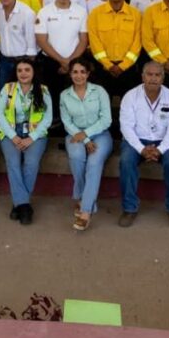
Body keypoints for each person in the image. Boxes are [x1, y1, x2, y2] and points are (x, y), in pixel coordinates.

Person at [118, 61, 169, 228]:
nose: (153, 78)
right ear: (142, 76)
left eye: (157, 75)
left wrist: (159, 150)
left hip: (164, 142)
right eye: (149, 74)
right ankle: (129, 208)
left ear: (163, 78)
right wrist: (141, 149)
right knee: (126, 161)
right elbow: (126, 127)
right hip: (136, 140)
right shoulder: (130, 96)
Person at [0, 57, 52, 225]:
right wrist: (13, 136)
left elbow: (48, 118)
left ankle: (18, 204)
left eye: (27, 70)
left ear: (33, 72)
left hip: (35, 134)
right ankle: (25, 206)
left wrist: (31, 138)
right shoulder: (8, 88)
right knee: (13, 163)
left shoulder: (43, 90)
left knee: (31, 163)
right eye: (19, 70)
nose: (23, 73)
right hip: (10, 133)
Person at [59, 58, 112, 231]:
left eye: (83, 72)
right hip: (74, 134)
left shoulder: (99, 91)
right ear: (70, 74)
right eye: (75, 72)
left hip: (100, 133)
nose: (79, 75)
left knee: (94, 162)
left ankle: (86, 210)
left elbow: (106, 120)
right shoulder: (65, 95)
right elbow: (66, 122)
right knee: (76, 156)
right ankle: (84, 198)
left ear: (88, 74)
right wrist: (85, 139)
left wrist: (87, 134)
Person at [34, 0, 88, 111]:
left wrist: (70, 62)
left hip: (75, 62)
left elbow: (84, 40)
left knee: (74, 95)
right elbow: (41, 40)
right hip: (50, 62)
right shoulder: (44, 12)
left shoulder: (81, 12)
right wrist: (62, 61)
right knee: (52, 96)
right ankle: (54, 120)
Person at [0, 0, 37, 93]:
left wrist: (28, 65)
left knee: (24, 94)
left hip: (23, 60)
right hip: (4, 60)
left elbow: (32, 43)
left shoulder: (27, 13)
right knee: (4, 94)